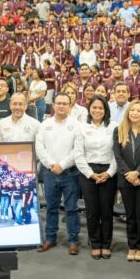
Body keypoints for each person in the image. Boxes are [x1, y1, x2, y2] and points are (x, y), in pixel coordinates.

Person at [35, 92, 85, 255]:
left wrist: (62, 165)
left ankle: (73, 240)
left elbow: (77, 150)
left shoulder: (76, 125)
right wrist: (51, 164)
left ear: (70, 106)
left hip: (69, 173)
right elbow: (39, 147)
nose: (61, 106)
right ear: (54, 105)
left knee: (71, 208)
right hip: (50, 173)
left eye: (65, 103)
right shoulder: (45, 124)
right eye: (59, 103)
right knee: (51, 208)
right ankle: (50, 238)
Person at [75, 96, 117, 260]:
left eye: (101, 108)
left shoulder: (113, 127)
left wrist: (109, 173)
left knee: (106, 210)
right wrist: (91, 174)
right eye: (94, 107)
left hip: (108, 171)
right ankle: (95, 243)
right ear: (89, 109)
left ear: (105, 110)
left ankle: (106, 244)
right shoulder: (82, 127)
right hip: (88, 171)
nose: (97, 110)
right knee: (92, 210)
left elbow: (117, 154)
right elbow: (78, 155)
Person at [115, 101, 140, 262]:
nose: (135, 113)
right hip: (126, 180)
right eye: (133, 110)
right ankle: (132, 245)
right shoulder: (119, 130)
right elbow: (118, 156)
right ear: (128, 112)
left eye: (139, 110)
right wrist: (129, 175)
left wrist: (138, 173)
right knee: (130, 215)